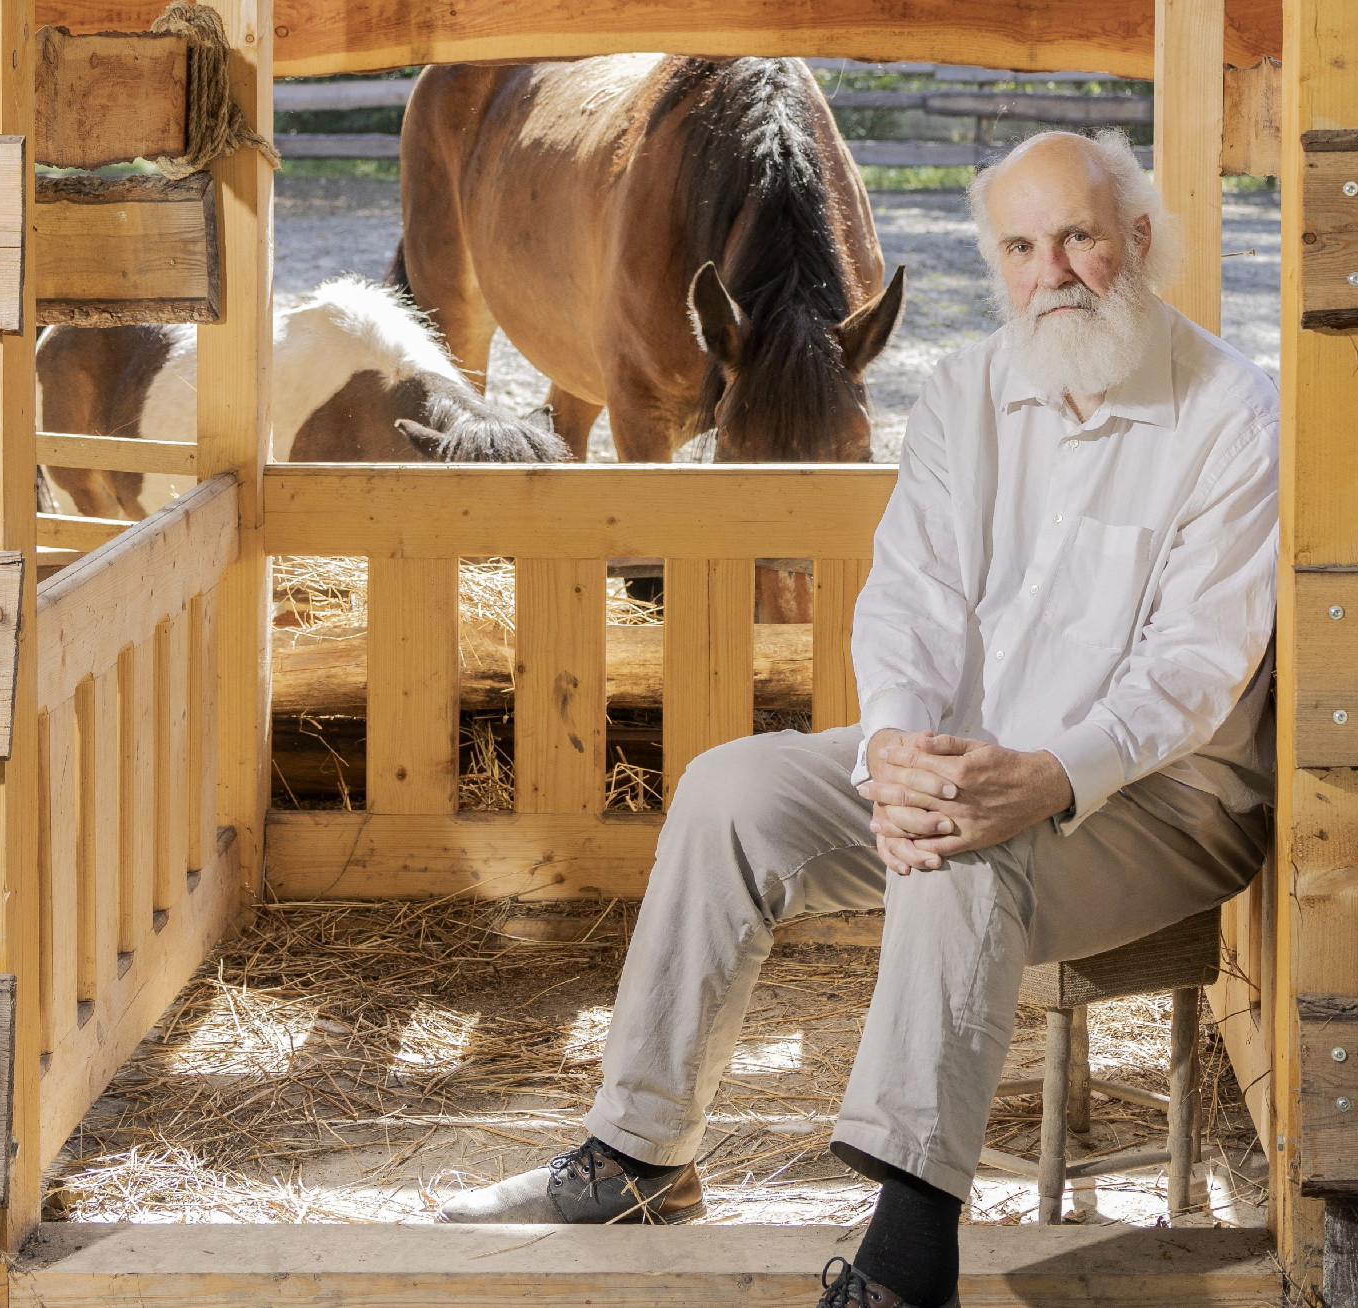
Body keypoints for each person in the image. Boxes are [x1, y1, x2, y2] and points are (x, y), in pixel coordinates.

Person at [438, 128, 1279, 1308]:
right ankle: (639, 1156)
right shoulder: (968, 389)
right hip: (963, 756)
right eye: (1021, 246)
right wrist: (893, 741)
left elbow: (1194, 667)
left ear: (1136, 241)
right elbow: (909, 601)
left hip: (1157, 799)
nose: (1050, 272)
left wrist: (1036, 777)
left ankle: (904, 1256)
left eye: (1078, 238)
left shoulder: (1231, 413)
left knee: (960, 857)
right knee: (729, 792)